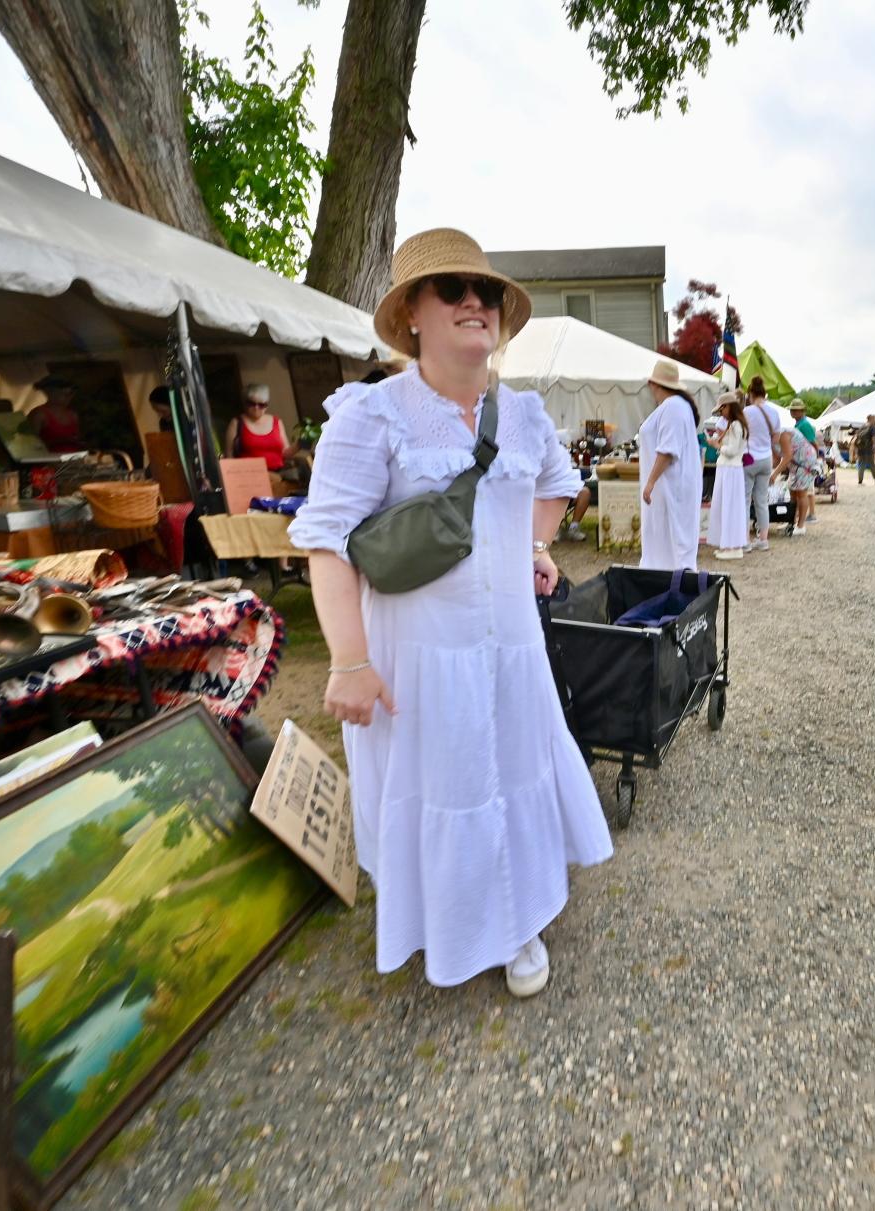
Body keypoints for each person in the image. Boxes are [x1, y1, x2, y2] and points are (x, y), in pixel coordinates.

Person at [288, 227, 612, 998]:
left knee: (511, 772)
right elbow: (326, 542)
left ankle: (516, 918)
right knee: (452, 782)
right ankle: (452, 919)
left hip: (513, 650)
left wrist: (529, 545)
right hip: (418, 657)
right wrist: (349, 660)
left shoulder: (525, 415)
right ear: (412, 316)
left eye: (488, 291)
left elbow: (560, 487)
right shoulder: (371, 415)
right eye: (453, 290)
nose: (476, 302)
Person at [637, 360, 702, 570]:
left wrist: (651, 481)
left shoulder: (673, 406)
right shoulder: (675, 406)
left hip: (670, 487)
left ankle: (674, 585)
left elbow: (667, 449)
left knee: (673, 540)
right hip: (669, 488)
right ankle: (663, 583)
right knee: (665, 540)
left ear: (653, 384)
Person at [706, 391, 749, 559]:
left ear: (729, 407)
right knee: (726, 507)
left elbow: (733, 451)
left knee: (730, 508)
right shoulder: (734, 425)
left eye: (722, 409)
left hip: (731, 469)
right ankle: (727, 545)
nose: (720, 413)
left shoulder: (737, 426)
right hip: (727, 469)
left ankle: (733, 547)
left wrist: (717, 445)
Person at [743, 375, 779, 550]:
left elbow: (740, 434)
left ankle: (745, 541)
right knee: (761, 500)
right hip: (766, 459)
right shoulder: (774, 412)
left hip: (749, 458)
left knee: (744, 499)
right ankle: (763, 540)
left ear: (750, 393)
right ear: (764, 394)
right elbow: (776, 437)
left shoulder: (746, 412)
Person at [225, 384, 295, 472]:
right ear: (245, 403)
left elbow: (285, 453)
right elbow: (229, 455)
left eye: (261, 405)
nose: (256, 408)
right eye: (252, 404)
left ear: (267, 405)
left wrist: (300, 444)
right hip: (250, 476)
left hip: (278, 475)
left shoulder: (277, 422)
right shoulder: (237, 423)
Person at [771, 422, 823, 534]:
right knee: (792, 493)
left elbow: (788, 456)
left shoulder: (783, 434)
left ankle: (800, 526)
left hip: (805, 462)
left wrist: (774, 474)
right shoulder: (770, 439)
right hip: (794, 465)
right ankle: (791, 521)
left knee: (801, 492)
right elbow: (775, 460)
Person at [25, 374, 84, 453]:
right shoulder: (39, 414)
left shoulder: (72, 414)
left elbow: (78, 439)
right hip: (49, 459)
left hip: (74, 459)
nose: (69, 398)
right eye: (65, 394)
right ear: (50, 392)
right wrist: (58, 441)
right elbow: (30, 445)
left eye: (71, 394)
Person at [789, 399, 821, 524]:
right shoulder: (798, 424)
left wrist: (815, 461)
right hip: (801, 462)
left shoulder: (804, 425)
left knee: (806, 491)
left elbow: (813, 443)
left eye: (797, 410)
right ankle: (798, 517)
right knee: (803, 491)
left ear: (803, 411)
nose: (794, 412)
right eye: (792, 410)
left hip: (806, 463)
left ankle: (810, 515)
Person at [855, 415, 875, 484]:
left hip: (860, 448)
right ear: (871, 419)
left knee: (862, 464)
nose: (874, 420)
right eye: (874, 419)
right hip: (868, 449)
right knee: (872, 464)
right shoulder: (872, 427)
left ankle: (860, 480)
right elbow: (873, 438)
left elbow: (857, 437)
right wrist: (874, 446)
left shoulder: (862, 427)